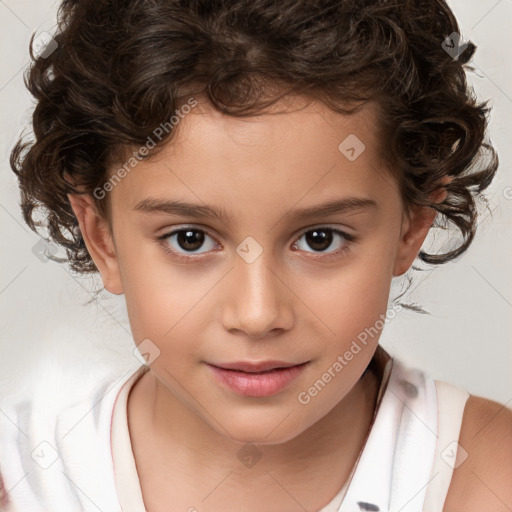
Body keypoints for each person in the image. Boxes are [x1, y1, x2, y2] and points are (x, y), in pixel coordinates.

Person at [1, 0, 511, 510]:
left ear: (412, 225)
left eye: (320, 239)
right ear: (102, 238)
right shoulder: (23, 484)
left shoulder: (488, 478)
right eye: (190, 239)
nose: (257, 314)